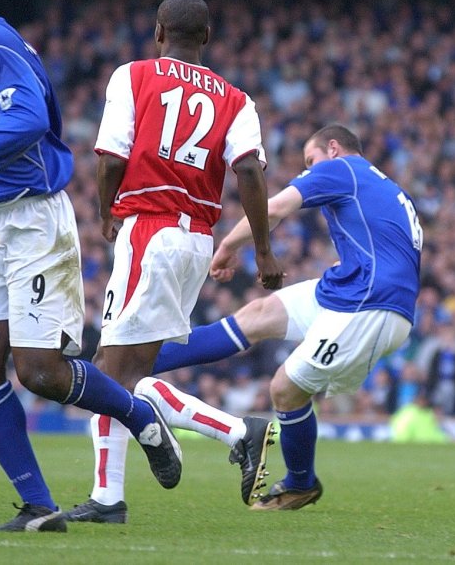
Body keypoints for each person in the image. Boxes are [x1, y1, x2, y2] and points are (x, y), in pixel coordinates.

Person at [0, 0, 181, 533]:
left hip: (30, 221)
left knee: (40, 372)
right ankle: (39, 504)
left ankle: (139, 415)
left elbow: (29, 118)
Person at [61, 0, 284, 524]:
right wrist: (262, 248)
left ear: (158, 31)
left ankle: (229, 436)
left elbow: (111, 155)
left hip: (151, 226)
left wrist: (105, 211)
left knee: (116, 377)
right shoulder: (236, 98)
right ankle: (115, 494)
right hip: (197, 238)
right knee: (119, 372)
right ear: (206, 37)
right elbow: (250, 172)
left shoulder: (133, 76)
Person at [151, 124, 422, 510]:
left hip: (370, 302)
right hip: (351, 288)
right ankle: (147, 359)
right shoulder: (389, 188)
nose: (309, 171)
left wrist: (227, 246)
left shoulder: (342, 168)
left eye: (311, 162)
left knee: (285, 389)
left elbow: (274, 207)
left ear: (333, 148)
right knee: (258, 315)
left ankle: (300, 483)